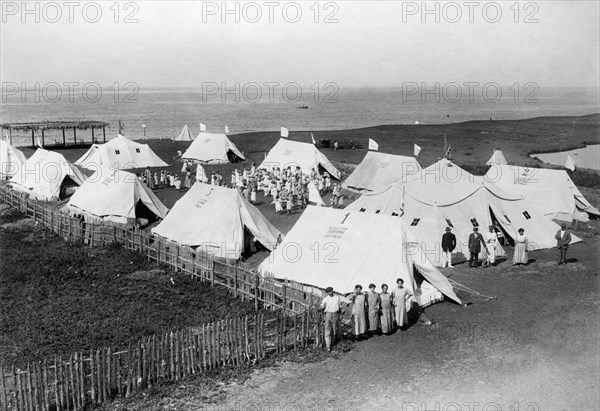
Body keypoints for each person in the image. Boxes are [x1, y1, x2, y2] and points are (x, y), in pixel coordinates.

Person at [319, 287, 344, 352]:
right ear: (327, 293)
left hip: (336, 314)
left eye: (331, 291)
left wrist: (340, 315)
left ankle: (332, 344)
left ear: (333, 291)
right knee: (327, 330)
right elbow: (322, 306)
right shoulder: (325, 299)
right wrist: (319, 308)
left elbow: (340, 307)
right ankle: (328, 347)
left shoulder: (337, 298)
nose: (330, 293)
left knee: (334, 330)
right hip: (328, 315)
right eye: (328, 292)